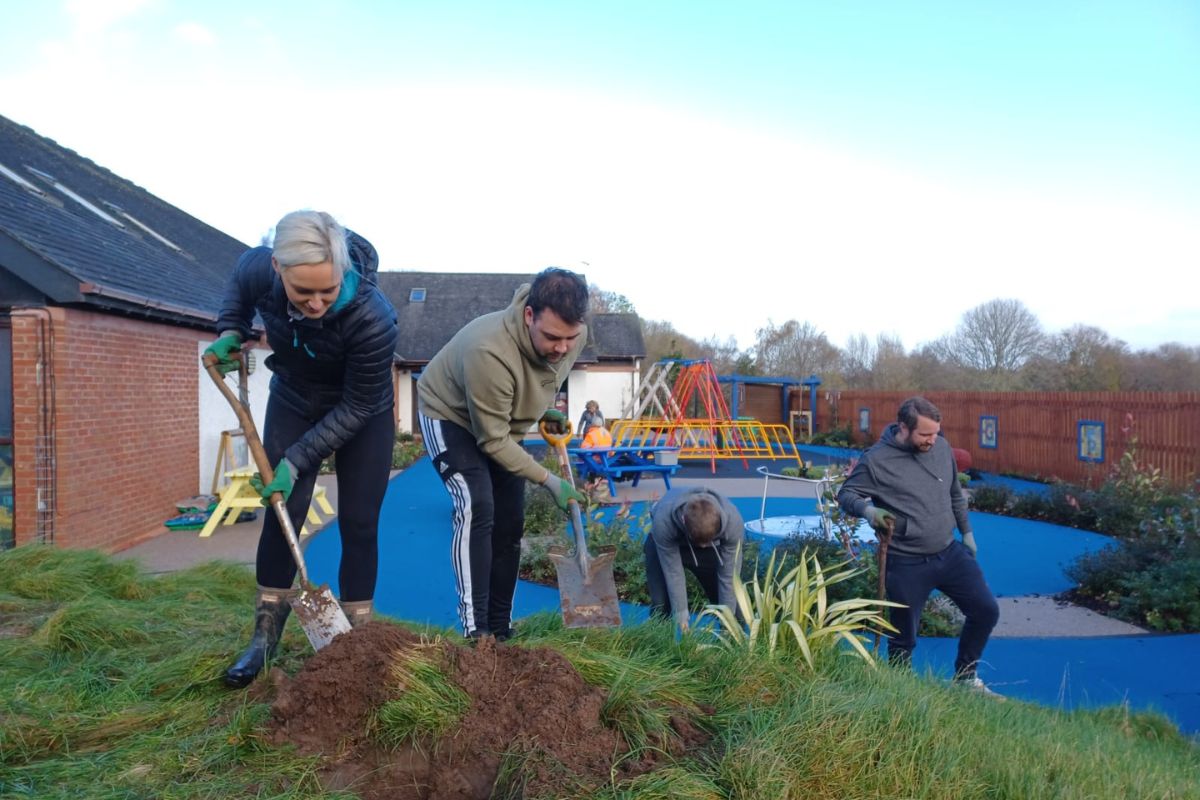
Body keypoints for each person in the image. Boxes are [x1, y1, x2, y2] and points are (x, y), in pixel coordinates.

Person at [205, 210, 398, 688]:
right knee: (283, 508)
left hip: (362, 410)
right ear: (277, 270)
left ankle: (357, 638)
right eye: (302, 292)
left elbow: (356, 407)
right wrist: (232, 327)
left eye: (327, 291)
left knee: (358, 520)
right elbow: (237, 288)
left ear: (343, 272)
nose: (315, 303)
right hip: (294, 396)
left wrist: (294, 460)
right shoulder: (257, 270)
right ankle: (265, 633)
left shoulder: (375, 318)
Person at [416, 267, 589, 640]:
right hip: (450, 415)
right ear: (529, 316)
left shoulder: (574, 335)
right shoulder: (489, 349)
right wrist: (550, 480)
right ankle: (476, 631)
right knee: (478, 506)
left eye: (570, 338)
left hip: (502, 422)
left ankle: (500, 626)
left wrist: (544, 408)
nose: (562, 347)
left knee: (510, 523)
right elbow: (492, 441)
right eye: (553, 337)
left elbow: (539, 379)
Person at [837, 396, 1001, 694]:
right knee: (903, 638)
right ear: (903, 427)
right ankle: (901, 694)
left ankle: (966, 679)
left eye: (936, 433)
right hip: (905, 561)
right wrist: (869, 511)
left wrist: (967, 533)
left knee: (986, 610)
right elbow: (846, 495)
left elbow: (954, 493)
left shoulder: (941, 448)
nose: (932, 440)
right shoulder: (876, 460)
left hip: (949, 551)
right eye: (925, 434)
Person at [645, 487, 744, 630]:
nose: (702, 547)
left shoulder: (733, 522)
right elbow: (674, 573)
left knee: (733, 609)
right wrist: (681, 615)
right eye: (700, 543)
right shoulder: (664, 520)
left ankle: (734, 641)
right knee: (661, 603)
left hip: (712, 546)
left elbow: (729, 576)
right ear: (683, 520)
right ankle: (657, 642)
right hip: (668, 543)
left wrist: (727, 620)